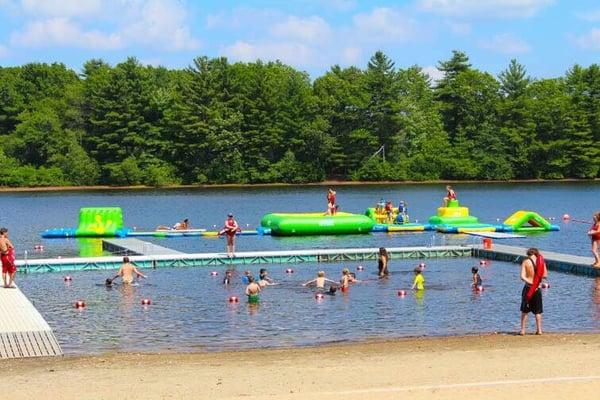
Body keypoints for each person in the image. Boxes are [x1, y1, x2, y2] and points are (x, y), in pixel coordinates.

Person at [519, 248, 548, 335]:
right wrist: (536, 282)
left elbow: (522, 276)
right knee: (538, 311)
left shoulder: (526, 262)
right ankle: (539, 330)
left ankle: (523, 330)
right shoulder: (541, 262)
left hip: (528, 288)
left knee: (524, 310)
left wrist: (530, 282)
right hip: (537, 288)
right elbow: (545, 275)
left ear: (528, 254)